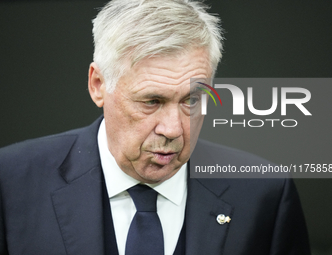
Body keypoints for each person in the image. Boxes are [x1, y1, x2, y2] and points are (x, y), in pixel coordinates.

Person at [0, 0, 310, 254]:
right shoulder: (11, 182)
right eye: (151, 101)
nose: (173, 129)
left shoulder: (264, 192)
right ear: (98, 85)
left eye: (191, 100)